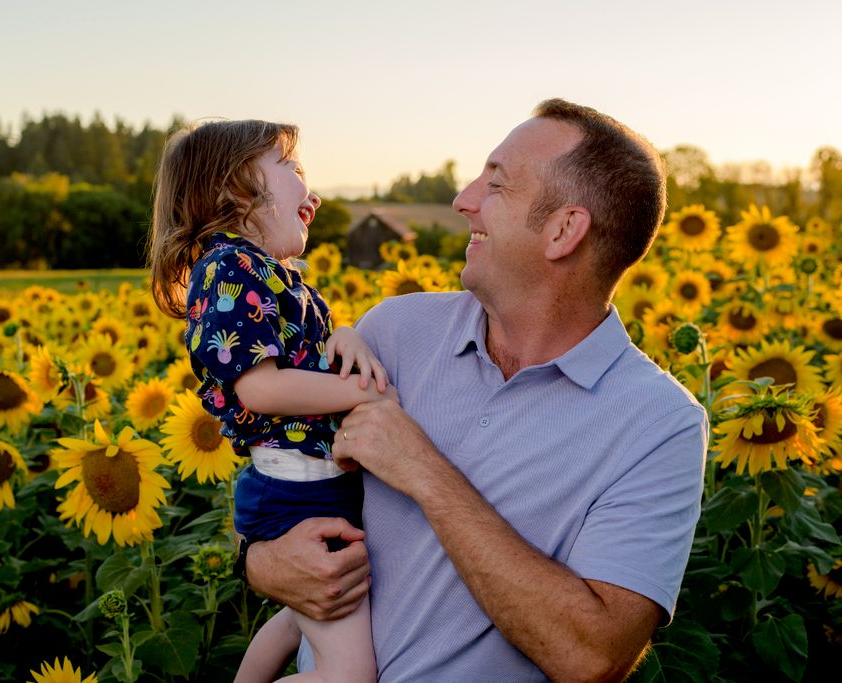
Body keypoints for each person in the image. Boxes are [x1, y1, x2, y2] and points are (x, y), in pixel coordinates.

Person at [244, 99, 709, 682]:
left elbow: (592, 658)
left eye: (496, 185)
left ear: (564, 230)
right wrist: (260, 562)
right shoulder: (391, 331)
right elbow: (282, 472)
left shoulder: (659, 424)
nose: (463, 200)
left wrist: (423, 470)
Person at [148, 119, 395, 683]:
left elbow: (316, 347)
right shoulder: (229, 268)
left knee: (296, 619)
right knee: (350, 676)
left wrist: (347, 336)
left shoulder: (278, 277)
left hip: (318, 482)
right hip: (299, 491)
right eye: (292, 168)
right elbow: (259, 387)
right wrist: (360, 391)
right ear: (234, 188)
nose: (313, 192)